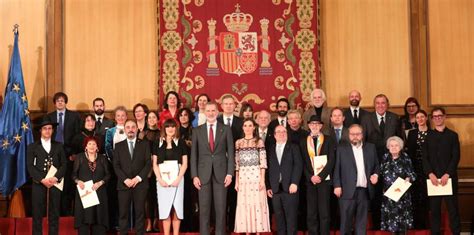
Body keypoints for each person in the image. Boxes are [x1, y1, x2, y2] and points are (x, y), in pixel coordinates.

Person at [190, 102, 235, 235]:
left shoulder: (226, 129)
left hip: (222, 174)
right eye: (208, 111)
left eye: (213, 110)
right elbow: (194, 155)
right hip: (202, 175)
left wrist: (230, 173)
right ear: (204, 112)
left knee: (221, 208)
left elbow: (231, 153)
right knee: (204, 209)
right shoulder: (197, 131)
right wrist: (194, 176)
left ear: (217, 112)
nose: (210, 113)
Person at [361, 94, 400, 228]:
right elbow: (363, 141)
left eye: (383, 103)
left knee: (392, 193)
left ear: (387, 104)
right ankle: (377, 225)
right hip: (373, 163)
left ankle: (391, 224)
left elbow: (401, 140)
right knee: (376, 194)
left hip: (392, 163)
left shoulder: (394, 118)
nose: (380, 105)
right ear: (374, 105)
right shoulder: (366, 119)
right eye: (378, 103)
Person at [333, 124, 379, 235]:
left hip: (364, 191)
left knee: (361, 223)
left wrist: (376, 175)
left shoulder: (370, 147)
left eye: (358, 134)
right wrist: (337, 185)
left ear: (362, 135)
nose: (355, 136)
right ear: (348, 135)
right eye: (352, 134)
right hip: (346, 191)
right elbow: (336, 169)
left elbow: (376, 166)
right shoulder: (341, 149)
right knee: (346, 223)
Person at [423, 107, 461, 235]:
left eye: (440, 116)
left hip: (449, 179)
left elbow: (456, 157)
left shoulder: (453, 136)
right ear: (432, 119)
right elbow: (425, 158)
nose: (438, 118)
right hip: (433, 180)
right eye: (435, 116)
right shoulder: (428, 136)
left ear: (444, 117)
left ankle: (456, 233)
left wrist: (447, 174)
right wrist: (430, 173)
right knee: (434, 211)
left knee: (453, 210)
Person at [27, 117, 67, 235]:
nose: (47, 131)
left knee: (54, 213)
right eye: (45, 129)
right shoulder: (32, 147)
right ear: (40, 130)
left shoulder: (58, 146)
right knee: (37, 214)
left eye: (50, 128)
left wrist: (55, 178)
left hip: (55, 183)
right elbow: (30, 166)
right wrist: (42, 179)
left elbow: (64, 164)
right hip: (39, 184)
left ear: (53, 130)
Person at [113, 119, 151, 235]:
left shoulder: (145, 144)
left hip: (140, 184)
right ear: (124, 130)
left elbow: (148, 163)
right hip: (123, 184)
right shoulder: (118, 146)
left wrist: (137, 178)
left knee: (140, 212)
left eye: (133, 127)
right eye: (128, 127)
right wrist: (125, 179)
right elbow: (116, 165)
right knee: (123, 213)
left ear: (137, 129)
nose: (130, 129)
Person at [46, 92, 81, 216]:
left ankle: (67, 213)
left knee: (67, 185)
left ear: (65, 102)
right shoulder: (49, 116)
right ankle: (56, 213)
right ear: (55, 103)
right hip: (54, 154)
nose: (60, 102)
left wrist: (74, 153)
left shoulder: (74, 116)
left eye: (62, 100)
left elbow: (78, 136)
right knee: (55, 184)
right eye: (58, 100)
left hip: (69, 155)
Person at [234, 118, 271, 233]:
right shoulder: (238, 142)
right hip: (243, 177)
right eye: (245, 125)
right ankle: (247, 230)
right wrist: (236, 181)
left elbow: (263, 162)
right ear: (242, 127)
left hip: (256, 176)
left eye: (250, 125)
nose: (248, 128)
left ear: (254, 127)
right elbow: (237, 164)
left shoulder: (259, 141)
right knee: (244, 203)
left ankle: (258, 230)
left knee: (257, 203)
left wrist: (262, 180)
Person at [300, 115, 335, 235]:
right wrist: (311, 176)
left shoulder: (329, 140)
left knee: (324, 213)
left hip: (324, 181)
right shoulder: (303, 141)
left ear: (321, 126)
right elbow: (302, 162)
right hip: (310, 182)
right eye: (312, 124)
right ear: (308, 126)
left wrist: (321, 176)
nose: (314, 126)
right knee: (311, 213)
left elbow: (332, 161)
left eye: (317, 124)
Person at [152, 119, 188, 235]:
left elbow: (185, 163)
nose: (170, 129)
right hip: (162, 181)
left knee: (177, 208)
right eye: (168, 127)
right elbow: (155, 164)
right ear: (164, 129)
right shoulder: (158, 142)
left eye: (173, 127)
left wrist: (178, 179)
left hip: (178, 179)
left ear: (176, 128)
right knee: (165, 209)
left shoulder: (181, 142)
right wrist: (160, 179)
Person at [266, 125, 302, 235]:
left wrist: (295, 183)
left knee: (291, 219)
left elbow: (298, 165)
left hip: (290, 188)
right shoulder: (270, 149)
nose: (282, 133)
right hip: (275, 189)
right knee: (279, 218)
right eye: (279, 132)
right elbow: (267, 169)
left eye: (284, 132)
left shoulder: (294, 147)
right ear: (275, 135)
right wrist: (268, 187)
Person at [73, 137, 110, 235]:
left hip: (99, 193)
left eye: (94, 144)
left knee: (99, 221)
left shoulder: (103, 158)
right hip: (85, 193)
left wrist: (100, 183)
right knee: (84, 221)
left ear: (97, 147)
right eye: (89, 144)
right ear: (85, 146)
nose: (92, 146)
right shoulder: (79, 157)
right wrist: (78, 181)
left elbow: (108, 175)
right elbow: (73, 175)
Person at [380, 136, 416, 234]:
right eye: (391, 145)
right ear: (388, 147)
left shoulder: (405, 157)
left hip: (402, 195)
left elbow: (412, 174)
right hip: (389, 195)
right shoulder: (385, 157)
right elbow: (380, 173)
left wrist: (409, 178)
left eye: (396, 145)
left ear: (400, 147)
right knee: (391, 223)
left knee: (402, 225)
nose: (394, 147)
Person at [217, 94, 242, 230]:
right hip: (219, 165)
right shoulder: (216, 121)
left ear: (234, 105)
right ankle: (219, 227)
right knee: (219, 198)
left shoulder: (241, 122)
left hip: (236, 164)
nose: (228, 106)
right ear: (221, 106)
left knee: (233, 198)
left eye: (231, 104)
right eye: (225, 104)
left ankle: (232, 226)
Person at [406, 110, 430, 229]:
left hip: (429, 170)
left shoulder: (432, 133)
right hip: (415, 169)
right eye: (417, 117)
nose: (420, 119)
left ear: (426, 118)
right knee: (415, 196)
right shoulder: (412, 133)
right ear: (415, 119)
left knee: (426, 197)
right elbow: (409, 153)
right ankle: (416, 225)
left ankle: (425, 225)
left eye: (422, 117)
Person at [177, 107, 199, 232]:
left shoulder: (196, 131)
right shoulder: (175, 131)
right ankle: (181, 225)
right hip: (178, 168)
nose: (183, 117)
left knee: (192, 197)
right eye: (181, 115)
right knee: (180, 196)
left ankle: (192, 225)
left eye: (186, 115)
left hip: (192, 166)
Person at [141, 111, 160, 232]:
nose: (152, 119)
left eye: (154, 117)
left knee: (158, 196)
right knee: (147, 198)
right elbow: (139, 151)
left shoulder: (162, 133)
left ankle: (156, 222)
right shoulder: (142, 134)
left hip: (159, 168)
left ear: (157, 119)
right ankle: (148, 222)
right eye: (150, 118)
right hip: (146, 169)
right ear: (147, 120)